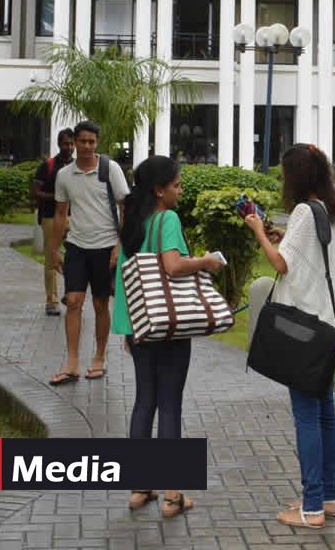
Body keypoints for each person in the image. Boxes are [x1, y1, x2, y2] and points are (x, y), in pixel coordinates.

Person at [111, 155, 224, 518]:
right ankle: (174, 495)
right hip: (171, 325)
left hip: (143, 324)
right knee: (170, 404)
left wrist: (129, 330)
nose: (180, 190)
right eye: (176, 184)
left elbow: (125, 279)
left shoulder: (133, 222)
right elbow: (173, 266)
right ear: (159, 190)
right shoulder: (168, 218)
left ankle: (140, 487)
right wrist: (206, 262)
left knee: (144, 401)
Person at [244, 143, 335, 529]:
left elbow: (281, 262)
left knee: (307, 415)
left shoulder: (306, 211)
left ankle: (311, 509)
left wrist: (258, 230)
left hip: (304, 327)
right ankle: (327, 497)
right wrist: (280, 233)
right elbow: (311, 251)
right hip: (330, 323)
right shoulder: (332, 210)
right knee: (325, 413)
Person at [47, 120, 128, 386]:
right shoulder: (64, 175)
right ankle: (72, 362)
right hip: (77, 247)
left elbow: (125, 207)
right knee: (73, 301)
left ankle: (100, 357)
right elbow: (60, 214)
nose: (86, 146)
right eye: (82, 141)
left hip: (106, 248)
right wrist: (54, 249)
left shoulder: (110, 169)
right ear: (74, 142)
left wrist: (119, 244)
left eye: (91, 142)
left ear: (97, 143)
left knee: (100, 304)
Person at [32, 129, 75, 316]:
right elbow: (34, 192)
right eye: (66, 144)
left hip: (74, 217)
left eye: (72, 144)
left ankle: (72, 296)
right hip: (50, 216)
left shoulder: (77, 166)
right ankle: (51, 301)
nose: (70, 147)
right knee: (51, 259)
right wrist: (57, 197)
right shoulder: (48, 166)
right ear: (59, 144)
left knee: (75, 258)